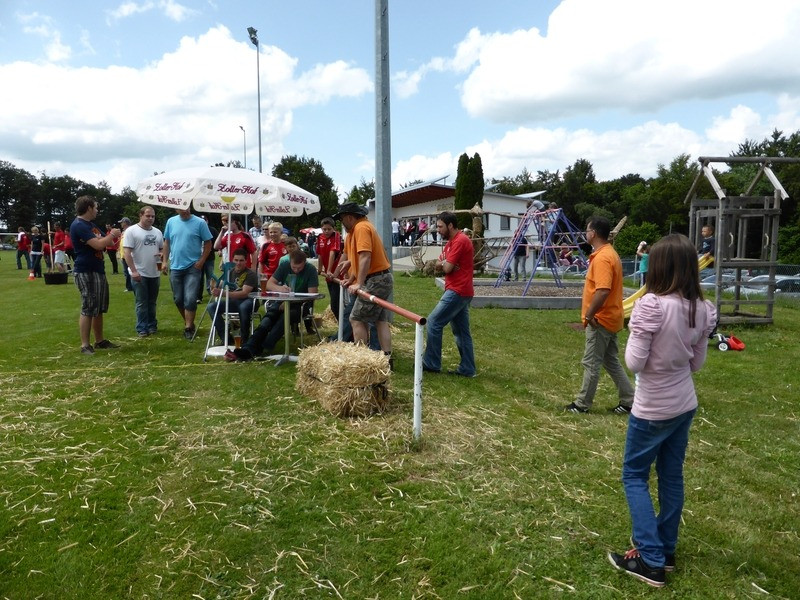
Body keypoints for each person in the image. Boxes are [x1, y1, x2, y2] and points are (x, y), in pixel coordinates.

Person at [608, 234, 717, 588]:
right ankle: (665, 551)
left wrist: (639, 336)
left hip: (652, 408)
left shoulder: (651, 305)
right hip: (684, 404)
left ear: (656, 266)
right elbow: (696, 363)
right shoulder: (702, 308)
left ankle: (650, 559)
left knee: (634, 476)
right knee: (671, 476)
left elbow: (634, 362)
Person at [565, 216, 634, 414]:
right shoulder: (609, 254)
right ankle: (629, 400)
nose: (586, 233)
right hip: (611, 316)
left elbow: (603, 290)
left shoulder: (603, 258)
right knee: (611, 361)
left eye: (587, 230)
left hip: (600, 320)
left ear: (593, 233)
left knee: (591, 362)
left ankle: (582, 404)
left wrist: (589, 314)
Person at [226, 250, 319, 362]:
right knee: (268, 318)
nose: (296, 270)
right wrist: (280, 289)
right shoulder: (285, 265)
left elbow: (312, 294)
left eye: (299, 268)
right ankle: (249, 347)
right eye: (294, 267)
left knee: (284, 317)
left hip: (301, 305)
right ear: (290, 262)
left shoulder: (311, 270)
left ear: (305, 263)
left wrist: (290, 301)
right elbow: (269, 284)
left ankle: (263, 347)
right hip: (281, 301)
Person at [334, 202, 393, 363]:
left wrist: (358, 283)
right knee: (380, 320)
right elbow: (359, 259)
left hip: (375, 279)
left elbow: (365, 256)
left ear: (349, 217)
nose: (341, 222)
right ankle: (387, 359)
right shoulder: (359, 229)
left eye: (341, 219)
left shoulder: (361, 228)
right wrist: (352, 278)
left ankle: (362, 362)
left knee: (356, 319)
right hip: (380, 278)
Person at [422, 212, 476, 377]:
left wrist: (445, 263)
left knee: (433, 322)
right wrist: (445, 263)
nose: (437, 230)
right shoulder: (451, 243)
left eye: (440, 226)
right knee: (461, 331)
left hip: (457, 291)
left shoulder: (460, 241)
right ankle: (468, 369)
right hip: (459, 290)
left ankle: (432, 364)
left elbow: (445, 268)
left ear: (450, 225)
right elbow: (440, 263)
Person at [69, 195, 121, 354]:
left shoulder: (91, 225)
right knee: (88, 307)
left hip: (97, 270)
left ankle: (100, 341)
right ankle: (85, 345)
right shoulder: (79, 225)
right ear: (89, 208)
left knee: (98, 308)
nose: (97, 210)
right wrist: (111, 234)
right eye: (96, 207)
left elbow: (109, 244)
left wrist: (107, 238)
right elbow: (100, 243)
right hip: (86, 271)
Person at [162, 208, 213, 340]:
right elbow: (167, 242)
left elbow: (208, 243)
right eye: (181, 208)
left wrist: (202, 261)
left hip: (193, 267)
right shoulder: (171, 222)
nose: (185, 210)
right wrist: (164, 261)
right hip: (176, 266)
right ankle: (188, 321)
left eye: (187, 207)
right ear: (176, 209)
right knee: (178, 299)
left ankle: (188, 327)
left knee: (190, 298)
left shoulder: (199, 223)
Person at [123, 206, 164, 337]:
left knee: (152, 302)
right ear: (140, 215)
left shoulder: (157, 232)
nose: (150, 218)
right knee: (141, 302)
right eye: (148, 216)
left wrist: (162, 257)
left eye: (153, 216)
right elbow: (127, 253)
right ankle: (142, 328)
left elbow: (162, 249)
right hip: (139, 272)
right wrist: (134, 271)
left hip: (154, 272)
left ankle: (152, 325)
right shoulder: (132, 231)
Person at [206, 247, 258, 344]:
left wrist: (224, 293)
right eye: (236, 260)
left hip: (249, 301)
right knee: (211, 307)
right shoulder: (230, 272)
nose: (238, 263)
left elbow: (244, 293)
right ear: (233, 260)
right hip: (233, 302)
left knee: (243, 307)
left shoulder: (250, 274)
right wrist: (214, 286)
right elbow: (220, 284)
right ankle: (225, 338)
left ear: (246, 261)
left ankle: (244, 338)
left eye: (241, 260)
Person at [316, 217, 343, 321]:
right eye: (324, 229)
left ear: (333, 228)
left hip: (337, 274)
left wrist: (329, 270)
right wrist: (319, 269)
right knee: (334, 303)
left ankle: (344, 329)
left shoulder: (336, 235)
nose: (326, 231)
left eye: (329, 229)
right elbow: (320, 254)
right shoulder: (320, 237)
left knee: (335, 305)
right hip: (329, 276)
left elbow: (333, 253)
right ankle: (342, 328)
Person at [119, 217, 133, 291]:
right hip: (123, 255)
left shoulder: (130, 231)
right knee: (126, 272)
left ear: (125, 223)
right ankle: (129, 286)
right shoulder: (123, 232)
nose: (121, 224)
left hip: (128, 255)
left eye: (122, 222)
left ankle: (130, 287)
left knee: (129, 272)